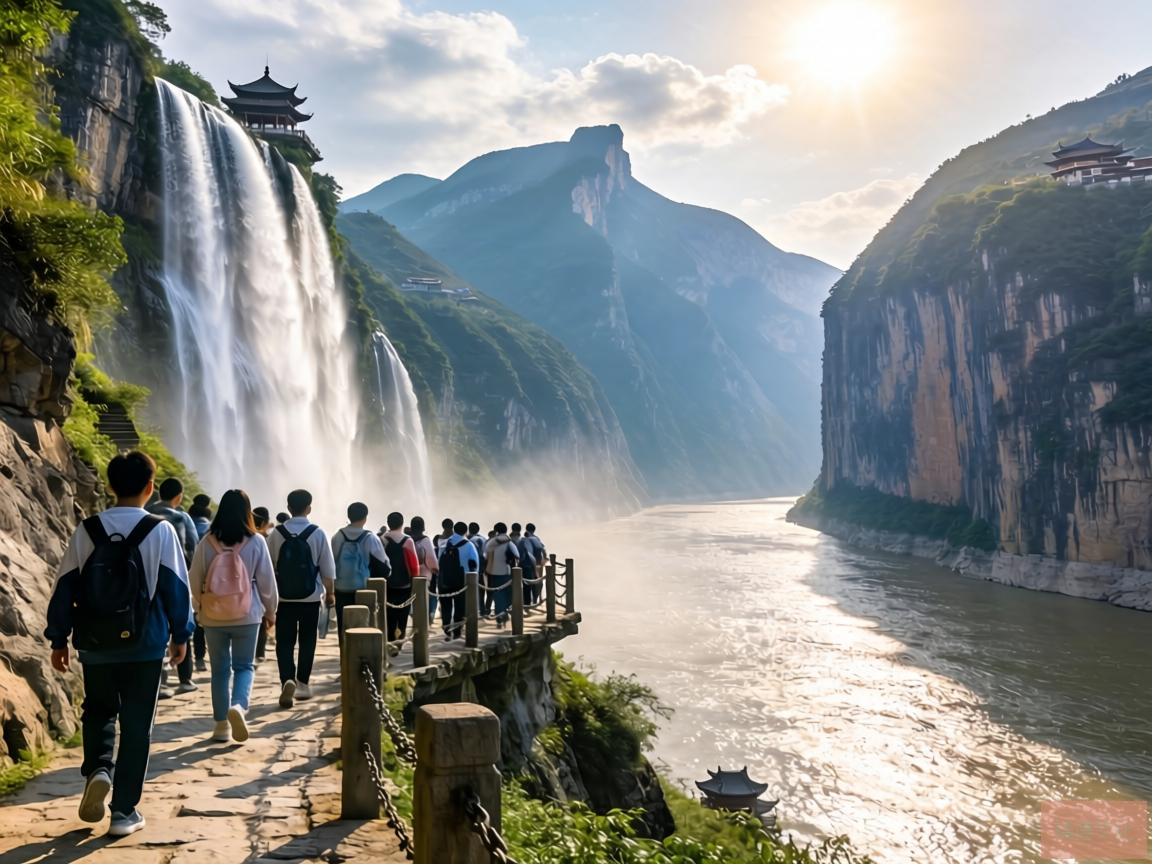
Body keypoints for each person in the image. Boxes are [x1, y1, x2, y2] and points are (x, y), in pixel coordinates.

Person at [44, 451, 194, 837]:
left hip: (95, 644)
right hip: (145, 644)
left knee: (98, 711)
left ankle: (98, 769)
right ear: (150, 487)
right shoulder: (161, 531)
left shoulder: (88, 530)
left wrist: (58, 638)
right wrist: (182, 635)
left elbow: (65, 586)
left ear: (109, 486)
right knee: (137, 726)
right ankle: (124, 812)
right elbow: (176, 588)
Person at [188, 489, 277, 744]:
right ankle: (238, 706)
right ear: (247, 512)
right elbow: (267, 583)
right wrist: (271, 611)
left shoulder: (207, 542)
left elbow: (194, 580)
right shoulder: (256, 541)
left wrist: (200, 605)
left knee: (219, 671)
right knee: (244, 666)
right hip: (247, 615)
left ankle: (220, 727)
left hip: (213, 616)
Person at [267, 489, 335, 708]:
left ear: (288, 508)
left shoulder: (276, 534)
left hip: (284, 598)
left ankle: (287, 678)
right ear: (309, 508)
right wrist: (331, 593)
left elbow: (267, 568)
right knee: (308, 640)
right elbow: (327, 570)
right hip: (310, 598)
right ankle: (303, 684)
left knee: (284, 641)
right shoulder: (317, 533)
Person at [147, 478, 200, 693]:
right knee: (181, 624)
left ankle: (159, 681)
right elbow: (193, 549)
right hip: (178, 577)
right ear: (178, 497)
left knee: (157, 628)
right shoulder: (182, 517)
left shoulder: (147, 514)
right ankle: (185, 680)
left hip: (149, 580)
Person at [331, 502, 390, 638]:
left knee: (343, 624)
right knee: (365, 625)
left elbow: (331, 562)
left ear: (348, 516)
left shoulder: (338, 536)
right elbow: (385, 564)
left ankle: (344, 655)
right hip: (364, 589)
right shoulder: (371, 537)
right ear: (365, 518)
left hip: (341, 588)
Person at [380, 512, 419, 643]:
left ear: (388, 523)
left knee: (389, 612)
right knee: (403, 613)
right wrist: (415, 579)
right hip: (405, 583)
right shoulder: (408, 540)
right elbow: (414, 564)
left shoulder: (382, 539)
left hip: (387, 583)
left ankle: (390, 638)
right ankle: (400, 638)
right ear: (402, 523)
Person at [438, 521, 479, 640]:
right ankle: (457, 631)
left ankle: (446, 628)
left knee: (446, 606)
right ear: (465, 531)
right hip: (462, 581)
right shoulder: (469, 545)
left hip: (445, 581)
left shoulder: (445, 544)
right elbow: (475, 565)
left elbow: (439, 560)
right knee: (460, 606)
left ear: (454, 530)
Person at [484, 523, 519, 628]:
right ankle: (504, 612)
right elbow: (517, 555)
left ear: (496, 530)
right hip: (506, 572)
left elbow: (485, 555)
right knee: (508, 594)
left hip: (493, 572)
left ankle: (500, 615)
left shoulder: (491, 542)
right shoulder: (509, 542)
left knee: (497, 594)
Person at [252, 507, 274, 663]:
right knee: (261, 620)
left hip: (229, 594)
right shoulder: (262, 539)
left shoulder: (212, 537)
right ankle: (259, 652)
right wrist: (272, 610)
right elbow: (267, 575)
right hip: (258, 589)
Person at [410, 517, 439, 622]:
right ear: (423, 527)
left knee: (413, 598)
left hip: (411, 574)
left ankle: (415, 618)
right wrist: (435, 568)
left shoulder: (408, 539)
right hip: (423, 575)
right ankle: (424, 620)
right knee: (424, 598)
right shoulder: (425, 540)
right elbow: (430, 557)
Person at [523, 523, 547, 610]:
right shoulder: (537, 539)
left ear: (526, 529)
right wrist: (544, 560)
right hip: (539, 564)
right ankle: (536, 601)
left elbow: (529, 554)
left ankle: (529, 604)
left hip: (531, 564)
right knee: (538, 583)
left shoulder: (527, 540)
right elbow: (543, 550)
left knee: (529, 583)